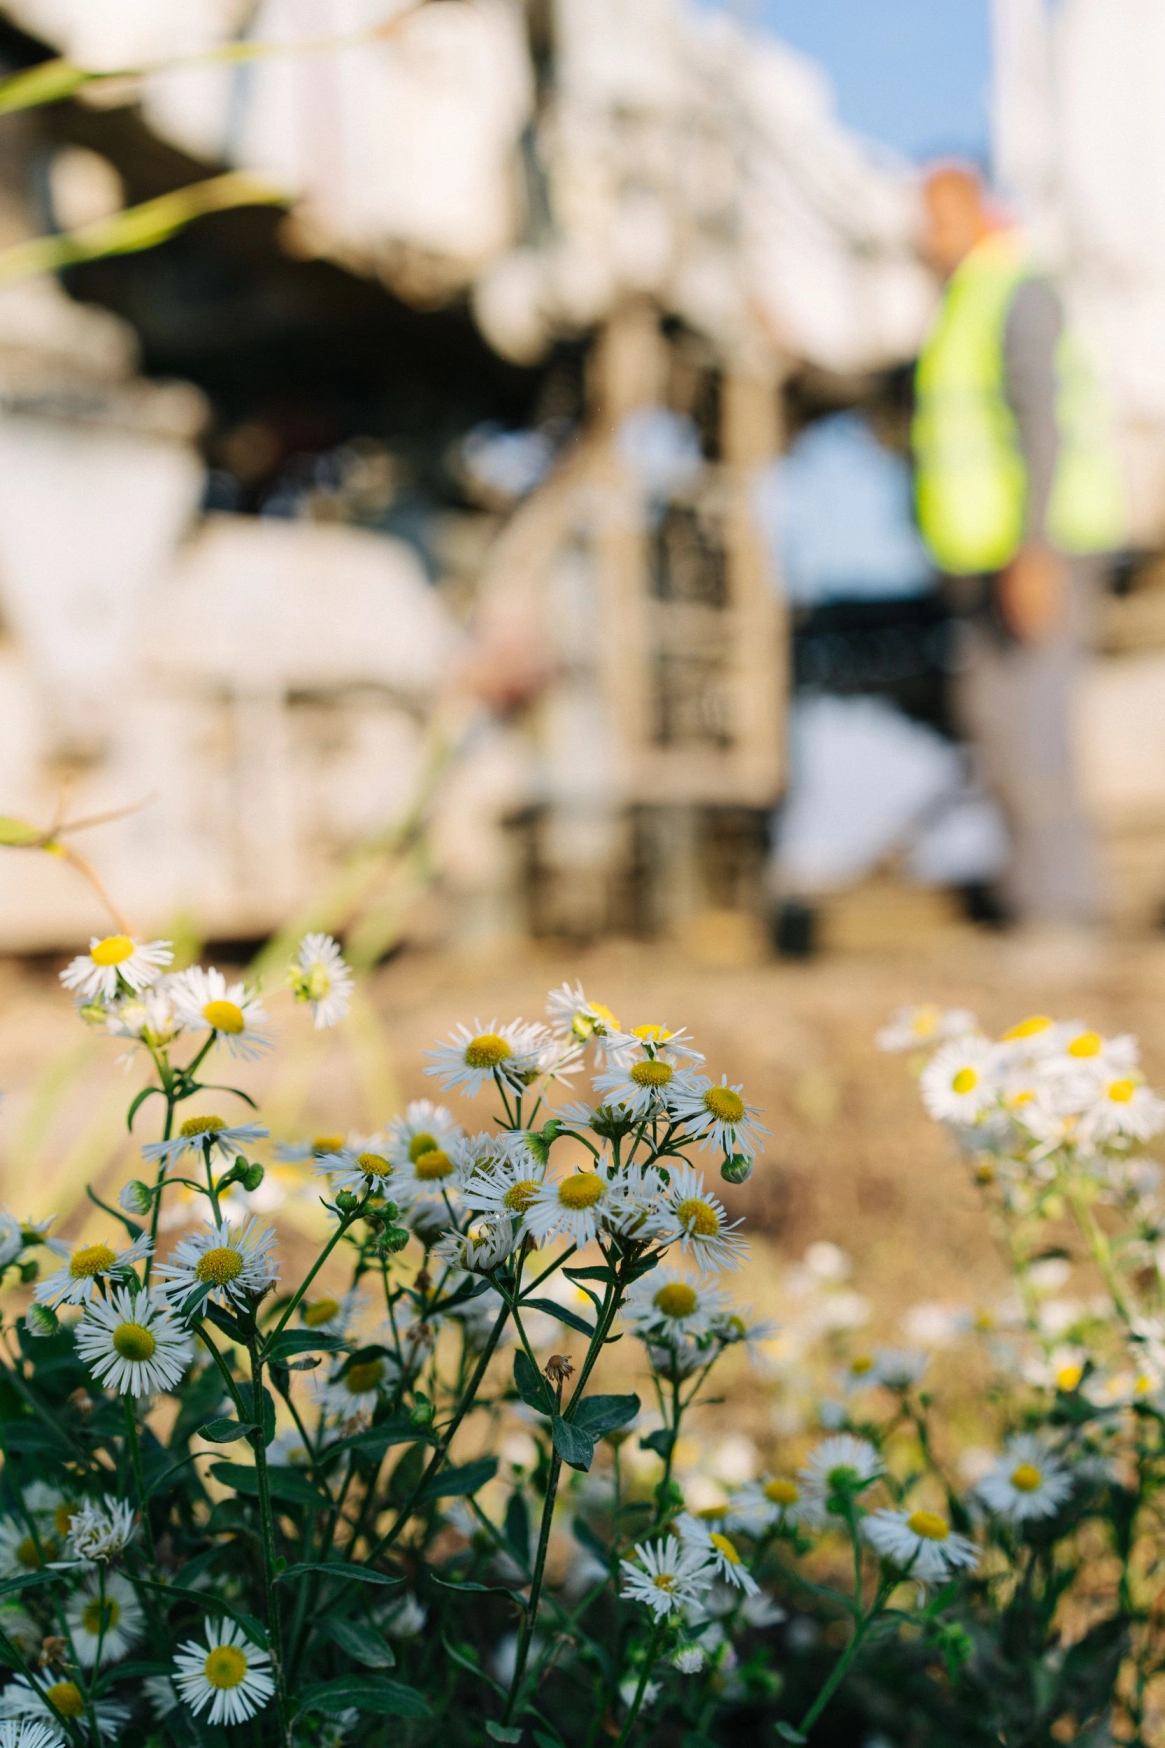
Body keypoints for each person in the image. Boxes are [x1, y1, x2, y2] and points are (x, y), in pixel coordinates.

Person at [913, 163, 1126, 926]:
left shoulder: (1015, 290)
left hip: (1036, 550)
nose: (923, 237)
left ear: (979, 213)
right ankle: (1037, 902)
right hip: (986, 557)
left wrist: (1032, 550)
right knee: (998, 727)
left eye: (936, 219)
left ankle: (1061, 913)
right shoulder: (961, 302)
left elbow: (1042, 422)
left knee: (1033, 731)